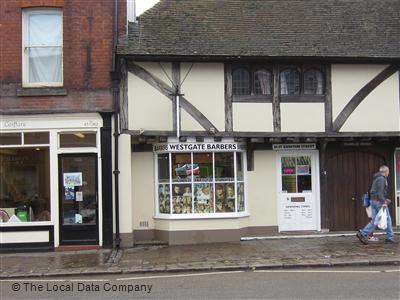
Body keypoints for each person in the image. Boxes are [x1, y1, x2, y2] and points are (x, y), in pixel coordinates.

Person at [356, 165, 396, 244]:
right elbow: (380, 192)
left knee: (375, 220)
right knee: (387, 219)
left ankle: (363, 233)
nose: (389, 173)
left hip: (373, 201)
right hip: (379, 202)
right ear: (386, 172)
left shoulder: (376, 178)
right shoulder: (382, 179)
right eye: (388, 171)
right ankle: (390, 238)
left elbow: (374, 191)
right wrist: (384, 201)